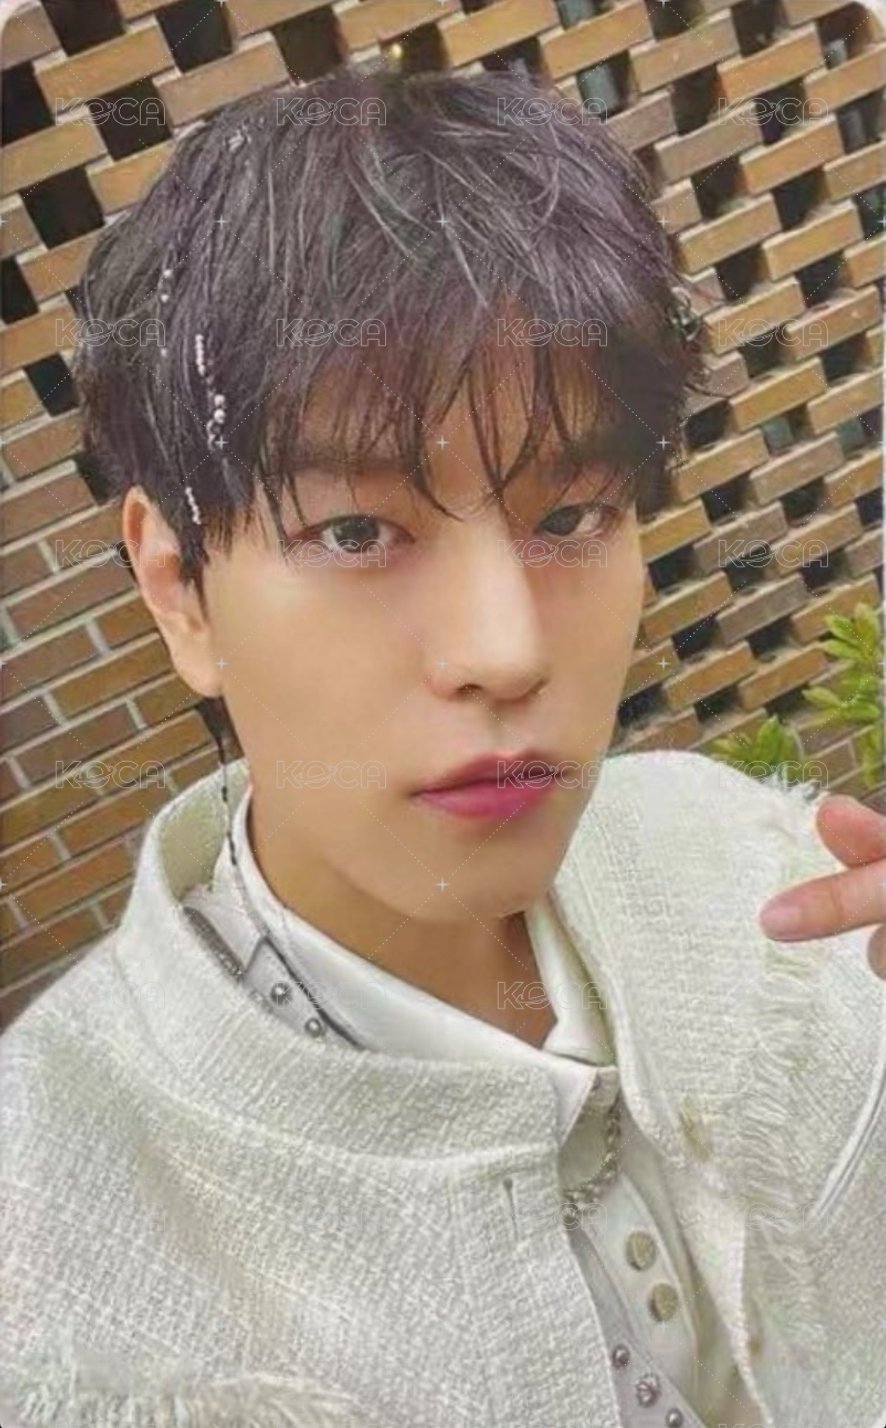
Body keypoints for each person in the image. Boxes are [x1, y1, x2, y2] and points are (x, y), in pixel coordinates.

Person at [1, 61, 884, 1428]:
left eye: (572, 515)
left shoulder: (749, 859)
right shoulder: (53, 1260)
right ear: (180, 589)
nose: (505, 649)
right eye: (355, 531)